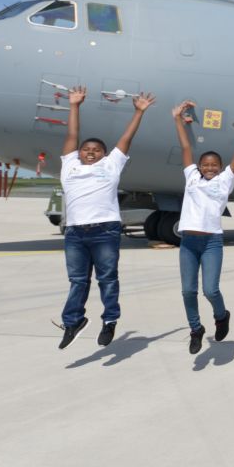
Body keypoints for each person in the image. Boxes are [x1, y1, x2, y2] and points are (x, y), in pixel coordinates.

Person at [56, 85, 154, 349]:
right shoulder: (70, 166)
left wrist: (139, 113)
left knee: (107, 279)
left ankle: (110, 320)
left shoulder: (111, 166)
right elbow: (72, 134)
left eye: (97, 149)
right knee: (77, 281)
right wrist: (74, 106)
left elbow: (125, 139)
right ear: (78, 153)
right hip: (75, 232)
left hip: (105, 231)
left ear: (104, 154)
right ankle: (73, 321)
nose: (90, 151)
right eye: (86, 148)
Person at [172, 102, 234, 354]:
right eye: (205, 164)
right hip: (188, 243)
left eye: (214, 165)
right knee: (188, 291)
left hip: (211, 242)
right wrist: (177, 120)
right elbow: (185, 147)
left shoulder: (226, 179)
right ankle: (196, 329)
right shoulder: (192, 177)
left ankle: (221, 315)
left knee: (210, 289)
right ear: (199, 166)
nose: (210, 168)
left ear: (221, 166)